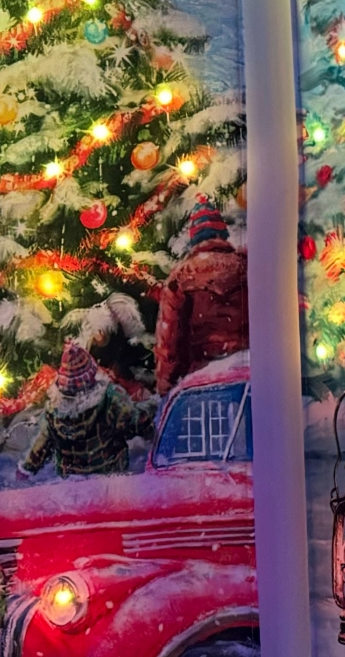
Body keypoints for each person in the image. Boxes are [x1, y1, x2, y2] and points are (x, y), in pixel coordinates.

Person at [154, 196, 249, 395]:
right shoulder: (246, 265)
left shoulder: (180, 277)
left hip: (202, 378)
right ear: (222, 234)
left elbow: (169, 341)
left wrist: (166, 386)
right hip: (247, 366)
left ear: (194, 239)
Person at [20, 340, 155, 478]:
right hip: (110, 476)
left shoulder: (54, 411)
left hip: (70, 481)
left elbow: (43, 444)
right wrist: (153, 429)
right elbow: (135, 422)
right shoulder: (110, 398)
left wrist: (27, 469)